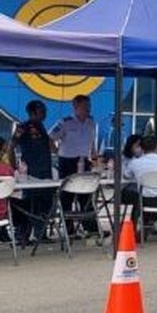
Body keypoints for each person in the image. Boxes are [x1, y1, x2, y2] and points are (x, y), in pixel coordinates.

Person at [49, 94, 100, 237]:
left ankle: (90, 227)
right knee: (67, 196)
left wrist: (94, 155)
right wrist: (57, 152)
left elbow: (91, 142)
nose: (87, 110)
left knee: (86, 194)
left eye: (88, 107)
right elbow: (50, 137)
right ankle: (69, 230)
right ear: (75, 107)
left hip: (85, 160)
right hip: (68, 161)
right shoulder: (65, 122)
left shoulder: (91, 122)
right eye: (84, 107)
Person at [11, 100, 55, 245]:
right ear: (33, 112)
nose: (45, 113)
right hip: (31, 173)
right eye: (42, 110)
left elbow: (51, 147)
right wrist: (14, 167)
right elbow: (11, 146)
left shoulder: (42, 127)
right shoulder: (22, 127)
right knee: (29, 203)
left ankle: (40, 233)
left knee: (45, 203)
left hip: (45, 172)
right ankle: (23, 235)